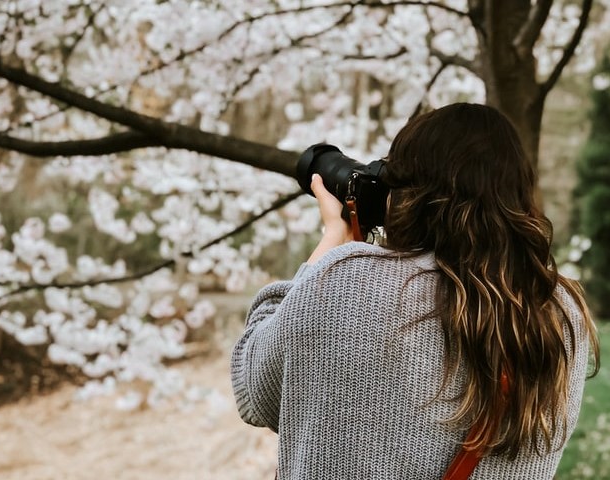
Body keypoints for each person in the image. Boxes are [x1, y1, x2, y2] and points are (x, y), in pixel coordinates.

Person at [230, 103, 600, 479]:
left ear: (407, 193)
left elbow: (254, 393)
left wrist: (329, 245)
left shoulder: (340, 280)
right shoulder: (559, 314)